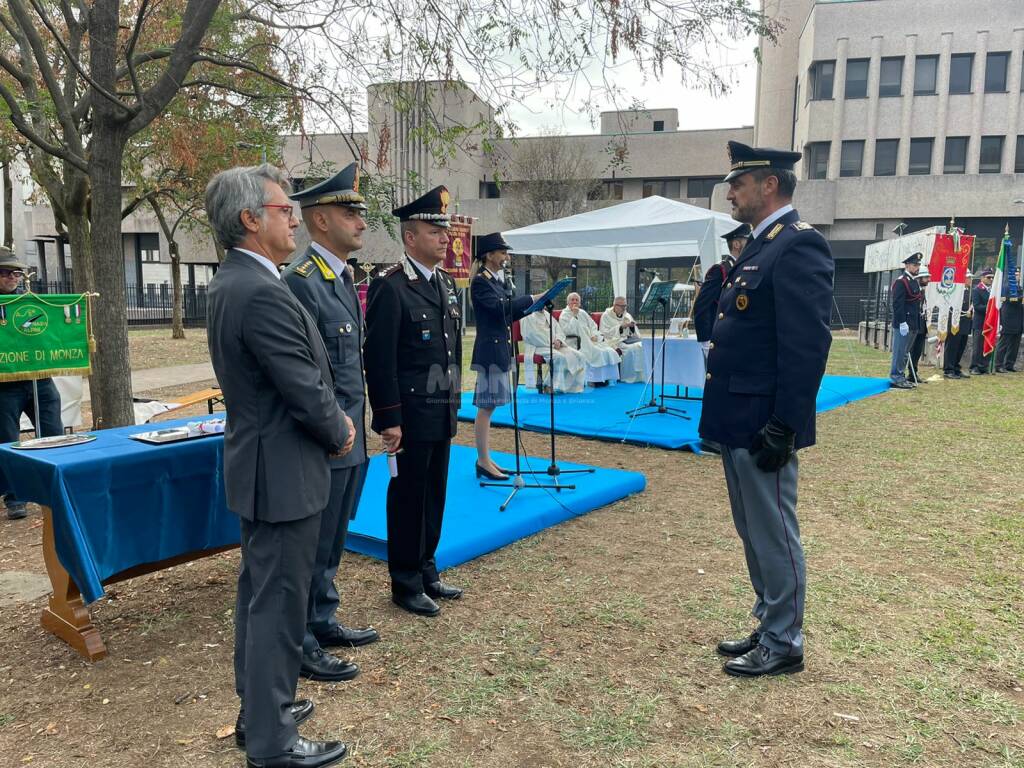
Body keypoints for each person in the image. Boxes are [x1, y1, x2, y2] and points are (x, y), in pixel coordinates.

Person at [204, 164, 351, 768]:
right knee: (278, 604)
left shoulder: (237, 281)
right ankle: (273, 743)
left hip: (264, 467)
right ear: (250, 220)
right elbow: (303, 386)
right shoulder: (260, 289)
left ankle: (261, 711)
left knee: (261, 598)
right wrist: (339, 428)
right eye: (284, 209)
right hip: (283, 471)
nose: (294, 218)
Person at [698, 141, 833, 678]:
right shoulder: (759, 247)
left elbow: (806, 346)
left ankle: (785, 641)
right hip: (737, 419)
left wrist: (786, 423)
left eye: (739, 182)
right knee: (752, 530)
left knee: (774, 531)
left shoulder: (798, 245)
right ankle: (769, 619)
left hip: (763, 424)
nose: (731, 192)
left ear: (769, 184)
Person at [282, 164, 380, 686]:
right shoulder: (300, 284)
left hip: (352, 437)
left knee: (335, 537)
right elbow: (303, 374)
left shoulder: (341, 279)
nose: (361, 223)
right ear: (320, 221)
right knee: (312, 543)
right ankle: (300, 640)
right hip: (324, 439)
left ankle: (322, 618)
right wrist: (334, 431)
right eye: (350, 213)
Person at [364, 186, 464, 617]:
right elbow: (379, 357)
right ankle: (404, 581)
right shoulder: (392, 286)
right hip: (408, 416)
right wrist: (388, 418)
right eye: (434, 231)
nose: (445, 238)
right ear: (410, 237)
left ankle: (426, 569)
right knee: (408, 497)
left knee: (435, 494)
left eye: (444, 231)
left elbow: (449, 350)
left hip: (439, 410)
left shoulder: (443, 282)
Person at [0, 247, 63, 521]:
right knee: (8, 441)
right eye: (6, 272)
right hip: (5, 385)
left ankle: (59, 485)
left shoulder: (30, 302)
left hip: (40, 379)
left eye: (16, 272)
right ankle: (15, 496)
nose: (13, 277)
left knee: (55, 433)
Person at [469, 232, 536, 481]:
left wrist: (529, 308)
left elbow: (506, 316)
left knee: (491, 406)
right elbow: (499, 309)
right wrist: (530, 299)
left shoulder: (498, 281)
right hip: (490, 351)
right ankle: (483, 461)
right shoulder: (481, 282)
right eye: (502, 252)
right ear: (489, 255)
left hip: (500, 349)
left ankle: (485, 457)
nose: (506, 256)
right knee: (486, 407)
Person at [693, 223, 749, 347]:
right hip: (718, 338)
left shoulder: (743, 267)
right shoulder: (721, 269)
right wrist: (705, 340)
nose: (750, 245)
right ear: (736, 244)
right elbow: (702, 305)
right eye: (747, 241)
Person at [519, 306, 586, 393]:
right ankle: (549, 385)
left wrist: (559, 340)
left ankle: (571, 387)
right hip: (538, 346)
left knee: (580, 356)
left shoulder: (547, 315)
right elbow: (531, 336)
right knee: (559, 357)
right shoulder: (527, 316)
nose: (543, 305)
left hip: (555, 345)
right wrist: (551, 343)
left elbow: (559, 330)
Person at [558, 292, 621, 385]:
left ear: (580, 303)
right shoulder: (564, 315)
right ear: (568, 303)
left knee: (608, 351)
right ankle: (593, 380)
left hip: (591, 340)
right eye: (572, 300)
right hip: (576, 342)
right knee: (597, 352)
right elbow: (567, 331)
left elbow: (592, 325)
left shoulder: (582, 312)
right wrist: (574, 316)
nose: (574, 302)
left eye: (577, 300)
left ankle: (604, 378)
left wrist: (594, 334)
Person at [889, 253, 924, 388]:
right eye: (915, 265)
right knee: (900, 351)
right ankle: (896, 377)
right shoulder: (901, 281)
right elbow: (898, 305)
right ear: (907, 265)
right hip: (903, 323)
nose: (917, 267)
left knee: (905, 352)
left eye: (918, 265)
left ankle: (901, 376)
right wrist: (902, 322)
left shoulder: (914, 281)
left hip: (913, 323)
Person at [599, 297, 646, 383]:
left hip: (627, 339)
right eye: (622, 306)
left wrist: (632, 327)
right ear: (615, 306)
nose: (624, 308)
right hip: (614, 341)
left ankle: (640, 376)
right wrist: (621, 327)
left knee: (641, 346)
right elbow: (604, 333)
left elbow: (634, 332)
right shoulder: (606, 315)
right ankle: (629, 376)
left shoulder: (627, 315)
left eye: (625, 306)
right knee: (631, 349)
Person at [942, 273, 973, 379]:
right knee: (952, 346)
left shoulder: (969, 291)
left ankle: (955, 367)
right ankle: (948, 369)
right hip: (955, 322)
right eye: (968, 277)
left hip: (965, 323)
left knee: (960, 346)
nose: (970, 280)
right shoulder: (954, 290)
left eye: (970, 278)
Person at [995, 268, 1022, 373]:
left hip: (1018, 320)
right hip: (1008, 319)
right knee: (1004, 344)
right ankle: (998, 365)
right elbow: (1011, 299)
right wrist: (1021, 298)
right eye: (1015, 274)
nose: (1017, 276)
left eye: (1018, 274)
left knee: (1015, 344)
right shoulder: (1007, 287)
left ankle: (1009, 364)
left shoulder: (1019, 287)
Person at [906, 269, 931, 383]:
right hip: (914, 324)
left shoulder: (922, 291)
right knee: (912, 350)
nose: (928, 279)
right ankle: (910, 373)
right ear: (919, 278)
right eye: (926, 277)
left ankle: (913, 373)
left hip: (922, 324)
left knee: (918, 351)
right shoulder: (915, 290)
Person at [970, 268, 994, 374]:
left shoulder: (993, 291)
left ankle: (984, 365)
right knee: (978, 346)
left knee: (988, 343)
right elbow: (977, 306)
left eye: (992, 278)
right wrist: (990, 308)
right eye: (988, 277)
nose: (991, 280)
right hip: (980, 322)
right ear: (982, 278)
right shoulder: (977, 289)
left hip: (990, 322)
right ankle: (974, 366)